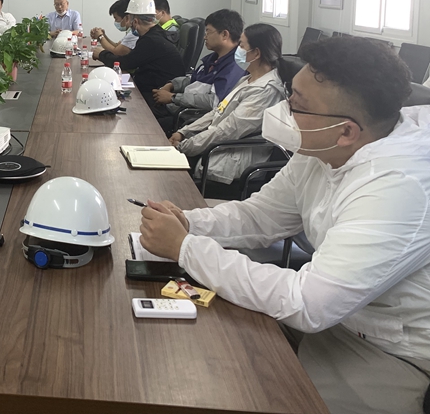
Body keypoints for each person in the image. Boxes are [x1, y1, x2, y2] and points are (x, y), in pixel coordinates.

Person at [139, 36, 430, 414]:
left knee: (263, 394)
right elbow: (260, 215)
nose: (284, 110)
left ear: (346, 131)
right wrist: (188, 222)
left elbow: (308, 303)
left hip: (392, 350)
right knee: (221, 354)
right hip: (338, 316)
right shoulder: (325, 143)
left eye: (297, 105)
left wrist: (186, 248)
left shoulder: (398, 187)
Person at [169, 24, 286, 193]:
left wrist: (185, 146)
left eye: (242, 45)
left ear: (256, 53)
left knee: (171, 181)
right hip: (215, 147)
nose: (237, 50)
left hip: (232, 160)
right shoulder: (249, 79)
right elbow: (218, 110)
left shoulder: (266, 90)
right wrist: (184, 132)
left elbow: (228, 130)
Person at [152, 9, 246, 132]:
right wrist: (171, 85)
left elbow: (215, 102)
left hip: (192, 119)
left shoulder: (234, 66)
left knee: (148, 125)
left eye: (208, 31)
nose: (205, 36)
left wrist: (173, 97)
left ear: (224, 35)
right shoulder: (214, 58)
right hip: (180, 108)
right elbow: (194, 78)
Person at [96, 0, 185, 111]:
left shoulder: (151, 41)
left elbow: (125, 63)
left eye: (129, 20)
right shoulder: (154, 34)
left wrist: (101, 54)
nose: (129, 24)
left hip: (158, 99)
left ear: (135, 21)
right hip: (152, 90)